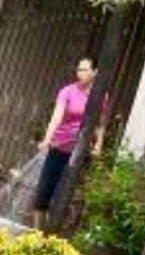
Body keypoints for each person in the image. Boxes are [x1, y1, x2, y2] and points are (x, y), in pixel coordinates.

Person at [32, 56, 109, 231]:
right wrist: (47, 139)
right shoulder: (67, 91)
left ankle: (53, 237)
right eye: (78, 69)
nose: (80, 73)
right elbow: (56, 117)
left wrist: (98, 146)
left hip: (79, 154)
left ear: (94, 72)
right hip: (59, 148)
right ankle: (37, 237)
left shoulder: (100, 96)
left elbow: (101, 124)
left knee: (64, 197)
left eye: (84, 70)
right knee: (43, 195)